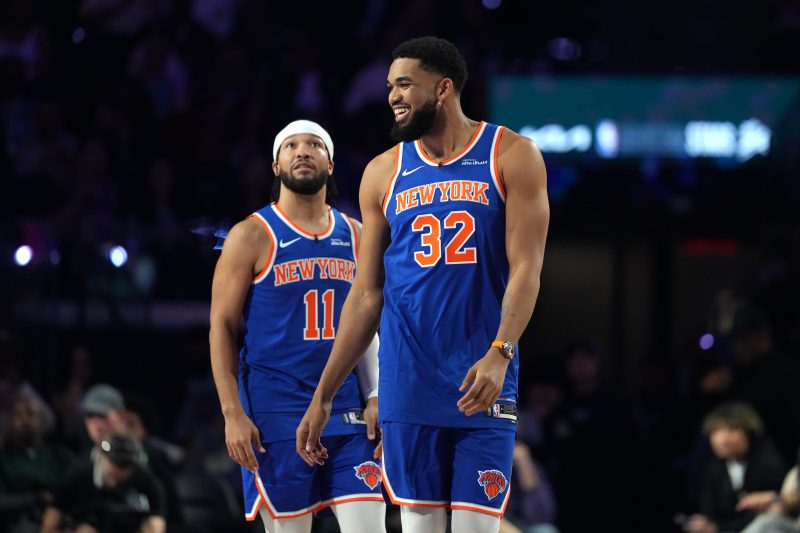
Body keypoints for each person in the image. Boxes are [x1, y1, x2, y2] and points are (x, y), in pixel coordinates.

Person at [297, 36, 549, 533]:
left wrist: (501, 351)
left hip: (481, 380)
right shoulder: (382, 172)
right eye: (390, 86)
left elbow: (527, 268)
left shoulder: (512, 154)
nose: (392, 96)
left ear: (443, 88)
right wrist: (324, 394)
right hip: (407, 386)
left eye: (405, 84)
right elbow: (366, 294)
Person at [209, 119, 386, 533]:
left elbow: (365, 325)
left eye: (314, 145)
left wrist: (375, 393)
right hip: (276, 411)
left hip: (344, 408)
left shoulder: (357, 234)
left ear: (331, 164)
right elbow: (222, 326)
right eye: (291, 145)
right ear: (276, 166)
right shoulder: (250, 235)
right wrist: (232, 412)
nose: (303, 151)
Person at [683, 402, 786, 533]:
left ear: (748, 433)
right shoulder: (713, 469)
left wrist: (719, 528)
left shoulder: (769, 462)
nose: (723, 439)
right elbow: (709, 509)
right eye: (716, 431)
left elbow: (781, 504)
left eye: (732, 430)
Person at [40, 433, 167, 533]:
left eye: (125, 466)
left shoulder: (146, 480)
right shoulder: (77, 476)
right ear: (99, 457)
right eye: (114, 463)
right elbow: (49, 526)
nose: (119, 471)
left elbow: (156, 523)